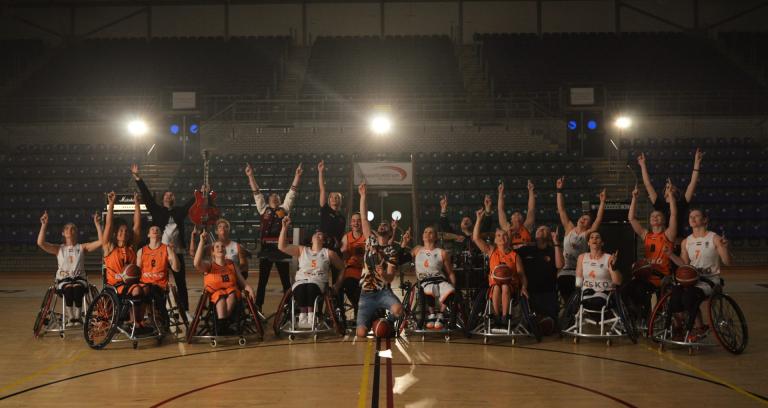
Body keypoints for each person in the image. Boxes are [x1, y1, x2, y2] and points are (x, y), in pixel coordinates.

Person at [132, 164, 196, 314]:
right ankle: (156, 311)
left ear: (174, 198)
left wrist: (200, 193)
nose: (169, 196)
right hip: (159, 253)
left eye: (171, 195)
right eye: (166, 195)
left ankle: (184, 310)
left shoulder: (179, 211)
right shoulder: (157, 210)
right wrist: (138, 178)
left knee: (181, 283)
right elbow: (147, 196)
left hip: (176, 252)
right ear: (163, 199)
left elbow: (190, 203)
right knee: (156, 283)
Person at [666, 208, 731, 342]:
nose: (693, 218)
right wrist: (671, 255)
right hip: (692, 279)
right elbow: (684, 264)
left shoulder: (714, 238)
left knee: (689, 296)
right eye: (691, 217)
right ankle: (681, 327)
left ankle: (699, 327)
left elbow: (727, 262)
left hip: (710, 280)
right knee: (676, 294)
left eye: (697, 216)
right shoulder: (686, 241)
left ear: (705, 220)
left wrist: (724, 248)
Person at [245, 162, 303, 311]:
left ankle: (289, 307)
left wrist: (297, 175)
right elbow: (256, 192)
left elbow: (292, 192)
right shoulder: (263, 209)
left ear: (279, 200)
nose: (275, 198)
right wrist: (250, 176)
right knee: (262, 281)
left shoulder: (284, 209)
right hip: (266, 249)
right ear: (269, 199)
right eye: (273, 197)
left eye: (277, 197)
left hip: (281, 248)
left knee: (285, 281)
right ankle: (258, 308)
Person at [355, 182, 407, 338]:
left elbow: (390, 277)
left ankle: (387, 323)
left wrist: (383, 274)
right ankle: (373, 320)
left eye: (386, 226)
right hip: (366, 293)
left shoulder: (392, 251)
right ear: (377, 230)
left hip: (383, 292)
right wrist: (363, 196)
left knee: (399, 309)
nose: (383, 227)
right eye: (381, 225)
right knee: (361, 333)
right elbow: (364, 218)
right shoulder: (370, 241)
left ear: (390, 232)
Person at [37, 211, 103, 326]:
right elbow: (40, 243)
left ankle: (77, 317)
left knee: (77, 288)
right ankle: (71, 316)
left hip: (79, 279)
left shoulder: (82, 247)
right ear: (63, 233)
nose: (69, 230)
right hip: (64, 280)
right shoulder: (59, 249)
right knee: (69, 288)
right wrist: (44, 225)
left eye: (72, 228)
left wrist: (97, 224)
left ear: (76, 232)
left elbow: (102, 242)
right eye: (66, 228)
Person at [278, 216, 345, 328]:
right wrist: (284, 227)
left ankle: (311, 316)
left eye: (320, 234)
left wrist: (337, 285)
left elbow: (343, 268)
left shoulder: (328, 253)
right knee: (300, 288)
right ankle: (303, 317)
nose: (317, 234)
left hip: (318, 281)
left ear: (324, 240)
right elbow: (282, 246)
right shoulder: (302, 250)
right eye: (315, 234)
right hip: (302, 280)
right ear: (311, 239)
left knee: (310, 288)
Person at [626, 185, 677, 319]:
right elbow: (631, 219)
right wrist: (634, 198)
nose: (655, 217)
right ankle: (636, 315)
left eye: (658, 216)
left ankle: (648, 317)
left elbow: (674, 214)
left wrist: (670, 196)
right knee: (628, 288)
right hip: (646, 276)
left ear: (664, 220)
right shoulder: (646, 235)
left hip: (662, 277)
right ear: (649, 221)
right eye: (652, 216)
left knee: (645, 293)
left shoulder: (668, 235)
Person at [472, 209, 528, 328]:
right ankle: (496, 317)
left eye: (504, 235)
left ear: (509, 239)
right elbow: (476, 238)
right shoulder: (492, 251)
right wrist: (478, 219)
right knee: (497, 287)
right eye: (498, 235)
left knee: (505, 286)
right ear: (495, 240)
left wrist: (524, 287)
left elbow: (522, 274)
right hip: (494, 285)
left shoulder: (515, 256)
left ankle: (505, 317)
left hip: (511, 287)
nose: (501, 237)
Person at [193, 230, 255, 335]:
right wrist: (201, 242)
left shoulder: (232, 265)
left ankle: (223, 325)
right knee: (221, 299)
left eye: (222, 247)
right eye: (217, 247)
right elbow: (196, 263)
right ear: (212, 252)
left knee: (232, 295)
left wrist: (250, 289)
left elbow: (242, 282)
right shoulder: (209, 266)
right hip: (216, 294)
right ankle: (222, 326)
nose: (220, 248)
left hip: (232, 293)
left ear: (225, 251)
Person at [555, 177, 606, 302]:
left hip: (579, 271)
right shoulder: (569, 228)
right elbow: (561, 210)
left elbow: (598, 219)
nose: (583, 219)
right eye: (582, 217)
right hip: (565, 271)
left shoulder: (587, 234)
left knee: (577, 298)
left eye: (586, 219)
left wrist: (602, 202)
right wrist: (559, 190)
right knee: (565, 295)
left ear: (589, 225)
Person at [637, 148, 703, 241]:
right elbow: (648, 185)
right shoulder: (659, 204)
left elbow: (692, 183)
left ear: (677, 192)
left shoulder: (682, 203)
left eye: (672, 187)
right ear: (664, 193)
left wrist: (697, 163)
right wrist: (643, 165)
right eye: (667, 187)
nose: (670, 188)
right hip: (662, 241)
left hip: (678, 240)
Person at [102, 191, 142, 326]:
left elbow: (137, 225)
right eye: (120, 231)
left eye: (126, 231)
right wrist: (111, 204)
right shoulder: (109, 247)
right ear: (115, 234)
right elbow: (108, 225)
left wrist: (137, 204)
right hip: (114, 286)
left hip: (129, 285)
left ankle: (135, 321)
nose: (123, 233)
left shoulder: (132, 248)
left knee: (139, 289)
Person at [410, 226, 457, 330]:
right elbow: (403, 256)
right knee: (429, 288)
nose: (427, 234)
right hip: (425, 281)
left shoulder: (442, 252)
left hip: (439, 280)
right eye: (425, 231)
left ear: (435, 237)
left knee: (450, 290)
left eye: (431, 232)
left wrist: (453, 285)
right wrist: (404, 243)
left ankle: (440, 314)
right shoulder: (417, 249)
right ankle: (431, 314)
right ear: (422, 236)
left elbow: (450, 272)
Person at [515, 226, 563, 328]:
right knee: (531, 322)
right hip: (530, 292)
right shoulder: (526, 249)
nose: (540, 230)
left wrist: (556, 242)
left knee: (550, 323)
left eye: (544, 229)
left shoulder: (553, 250)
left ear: (550, 235)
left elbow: (559, 265)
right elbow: (509, 254)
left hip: (548, 292)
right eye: (538, 229)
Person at [134, 224, 180, 326]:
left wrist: (173, 252)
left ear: (161, 234)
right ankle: (138, 320)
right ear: (148, 234)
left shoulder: (166, 249)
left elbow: (176, 269)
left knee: (152, 289)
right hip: (144, 286)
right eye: (152, 229)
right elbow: (137, 273)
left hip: (160, 286)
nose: (155, 230)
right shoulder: (141, 251)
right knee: (139, 291)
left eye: (157, 229)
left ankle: (157, 316)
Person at [575, 232, 621, 311]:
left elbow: (618, 282)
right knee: (576, 303)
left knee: (596, 301)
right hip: (587, 292)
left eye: (597, 237)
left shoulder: (609, 257)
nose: (594, 239)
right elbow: (578, 282)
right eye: (591, 237)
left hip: (604, 292)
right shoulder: (582, 257)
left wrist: (613, 266)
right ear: (588, 243)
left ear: (602, 243)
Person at [338, 212, 366, 316]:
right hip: (352, 269)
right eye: (354, 221)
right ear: (350, 223)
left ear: (362, 222)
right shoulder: (346, 237)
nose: (356, 223)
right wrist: (343, 251)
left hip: (365, 269)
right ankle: (357, 307)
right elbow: (342, 255)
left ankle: (363, 310)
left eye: (358, 220)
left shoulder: (367, 235)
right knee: (348, 285)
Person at [497, 180, 536, 248]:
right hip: (510, 255)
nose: (517, 215)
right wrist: (500, 193)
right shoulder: (506, 227)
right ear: (511, 220)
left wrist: (531, 191)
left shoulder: (526, 227)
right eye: (514, 214)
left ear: (523, 219)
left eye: (519, 214)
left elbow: (531, 209)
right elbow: (501, 210)